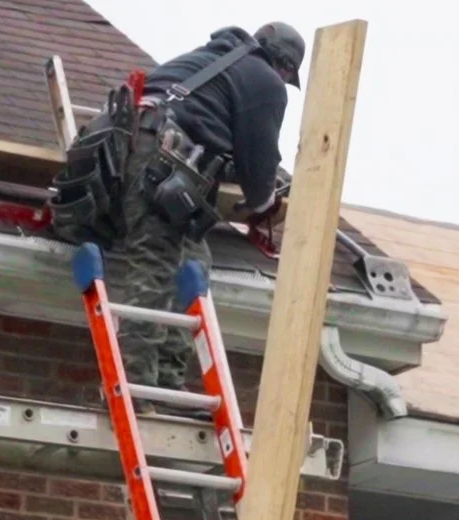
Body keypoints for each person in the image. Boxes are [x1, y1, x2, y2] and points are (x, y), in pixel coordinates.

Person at [51, 23, 303, 392]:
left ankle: (168, 380)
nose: (282, 79)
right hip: (158, 160)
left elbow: (202, 127)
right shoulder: (264, 80)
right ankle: (135, 385)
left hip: (113, 157)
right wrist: (264, 201)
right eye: (286, 72)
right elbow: (259, 159)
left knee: (194, 262)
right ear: (282, 63)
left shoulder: (207, 60)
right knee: (155, 264)